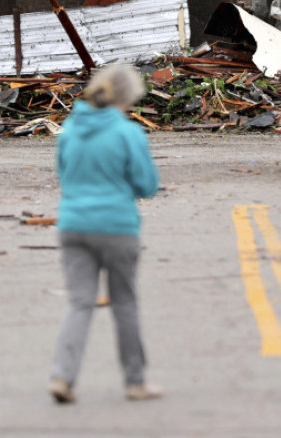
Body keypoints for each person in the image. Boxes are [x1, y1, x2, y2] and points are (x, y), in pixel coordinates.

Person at [49, 64, 161, 405]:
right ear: (128, 98)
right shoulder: (128, 134)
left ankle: (62, 376)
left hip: (73, 224)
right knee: (124, 303)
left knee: (79, 303)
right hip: (116, 227)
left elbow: (63, 175)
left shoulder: (69, 130)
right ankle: (134, 382)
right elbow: (147, 185)